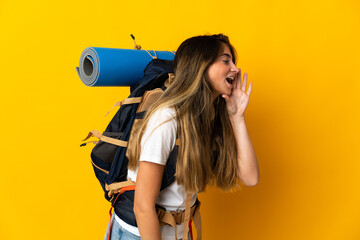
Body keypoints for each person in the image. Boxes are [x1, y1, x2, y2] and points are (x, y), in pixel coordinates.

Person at [104, 34, 259, 240]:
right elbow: (142, 206)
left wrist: (237, 117)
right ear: (201, 65)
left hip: (177, 232)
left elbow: (250, 177)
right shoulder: (167, 118)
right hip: (138, 234)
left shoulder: (208, 117)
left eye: (233, 61)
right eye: (225, 60)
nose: (235, 68)